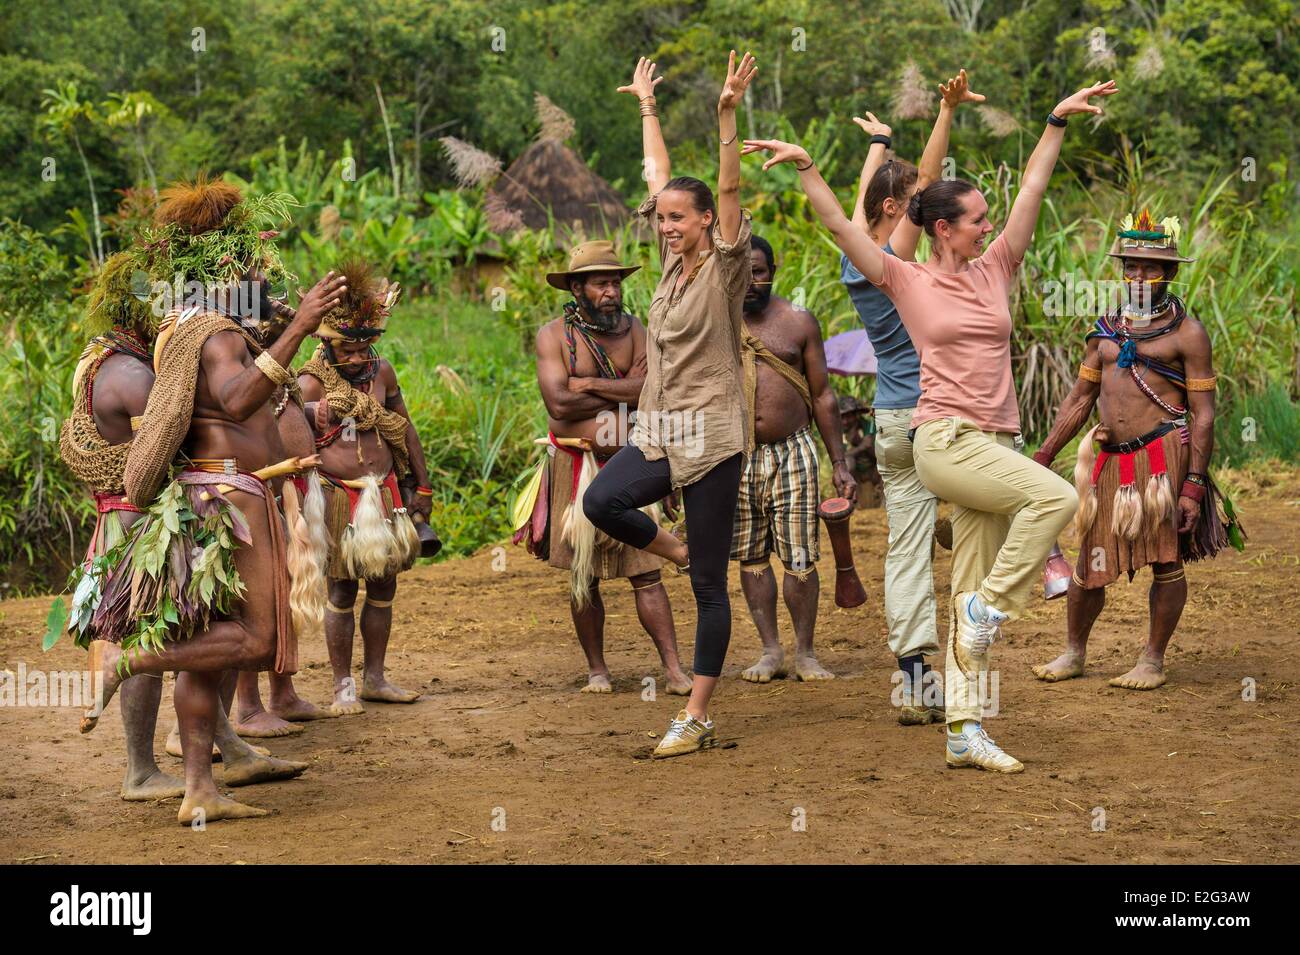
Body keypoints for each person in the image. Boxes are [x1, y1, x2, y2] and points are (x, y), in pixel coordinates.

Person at [744, 77, 1118, 773]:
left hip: (994, 441)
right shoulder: (904, 279)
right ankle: (987, 614)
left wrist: (1054, 121)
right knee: (1057, 497)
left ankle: (963, 728)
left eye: (987, 216)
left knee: (971, 584)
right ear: (942, 227)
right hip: (940, 441)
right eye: (975, 217)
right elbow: (841, 226)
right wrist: (807, 167)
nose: (988, 224)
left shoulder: (997, 266)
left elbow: (1034, 188)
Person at [77, 176, 347, 824]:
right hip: (231, 498)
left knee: (210, 645)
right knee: (251, 638)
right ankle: (128, 657)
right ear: (225, 267)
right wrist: (303, 322)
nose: (263, 271)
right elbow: (236, 398)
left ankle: (200, 785)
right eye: (252, 262)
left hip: (216, 493)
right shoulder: (215, 328)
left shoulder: (192, 322)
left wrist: (289, 329)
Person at [582, 51, 757, 758]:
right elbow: (657, 178)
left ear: (709, 220)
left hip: (712, 435)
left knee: (711, 588)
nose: (665, 225)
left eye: (680, 219)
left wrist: (726, 116)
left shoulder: (724, 268)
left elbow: (729, 188)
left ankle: (697, 711)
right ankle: (680, 549)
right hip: (661, 429)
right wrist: (647, 109)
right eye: (661, 219)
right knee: (602, 502)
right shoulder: (668, 270)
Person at [1031, 210, 1231, 690]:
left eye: (1150, 267)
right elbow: (1080, 400)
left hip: (1163, 461)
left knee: (1166, 560)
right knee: (1088, 562)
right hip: (1111, 462)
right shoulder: (1104, 330)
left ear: (1170, 273)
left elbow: (1203, 414)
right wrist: (1042, 456)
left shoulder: (1188, 334)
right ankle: (1074, 652)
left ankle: (1152, 661)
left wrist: (1194, 488)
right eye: (1131, 267)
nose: (1139, 276)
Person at [838, 71, 983, 725]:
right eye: (910, 209)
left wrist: (881, 142)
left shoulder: (853, 252)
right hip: (937, 417)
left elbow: (867, 202)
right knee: (1000, 507)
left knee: (906, 546)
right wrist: (946, 114)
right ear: (898, 213)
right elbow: (922, 185)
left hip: (892, 423)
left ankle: (916, 678)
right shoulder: (896, 262)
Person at [534, 240, 692, 695]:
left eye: (615, 283)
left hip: (631, 459)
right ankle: (597, 670)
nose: (611, 291)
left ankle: (675, 670)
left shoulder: (637, 330)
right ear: (578, 288)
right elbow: (559, 403)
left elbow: (653, 391)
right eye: (601, 283)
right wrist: (622, 387)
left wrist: (588, 382)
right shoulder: (552, 337)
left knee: (646, 571)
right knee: (584, 571)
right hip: (576, 459)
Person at [298, 260, 433, 715]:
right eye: (346, 350)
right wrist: (315, 412)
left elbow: (403, 428)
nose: (357, 358)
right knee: (340, 591)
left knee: (383, 585)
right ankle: (342, 686)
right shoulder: (309, 380)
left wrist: (422, 487)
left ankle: (375, 678)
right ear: (327, 344)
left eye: (363, 348)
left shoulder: (383, 372)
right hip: (339, 493)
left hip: (386, 490)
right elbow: (294, 442)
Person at [732, 233, 854, 683]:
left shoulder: (798, 321)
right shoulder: (716, 323)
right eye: (740, 272)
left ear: (773, 272)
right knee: (751, 556)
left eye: (758, 272)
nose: (749, 281)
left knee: (800, 557)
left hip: (794, 451)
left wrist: (839, 462)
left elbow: (822, 396)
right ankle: (770, 650)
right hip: (736, 453)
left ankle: (805, 653)